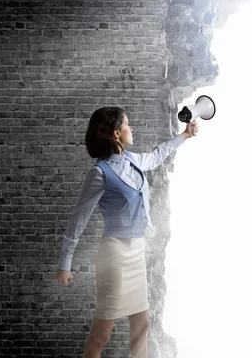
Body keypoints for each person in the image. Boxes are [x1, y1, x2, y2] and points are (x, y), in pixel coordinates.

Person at [55, 107, 198, 358]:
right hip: (115, 256)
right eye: (128, 124)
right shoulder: (99, 174)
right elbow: (78, 219)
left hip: (136, 251)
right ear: (115, 133)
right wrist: (65, 263)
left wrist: (184, 136)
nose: (132, 129)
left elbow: (156, 156)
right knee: (102, 334)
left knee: (141, 326)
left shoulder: (131, 160)